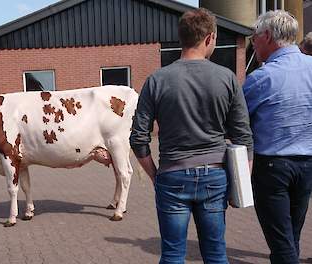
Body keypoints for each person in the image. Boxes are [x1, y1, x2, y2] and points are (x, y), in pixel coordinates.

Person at [130, 8, 253, 263]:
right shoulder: (227, 78)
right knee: (216, 254)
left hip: (172, 175)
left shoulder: (157, 80)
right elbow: (244, 138)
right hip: (215, 176)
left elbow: (138, 138)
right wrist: (241, 183)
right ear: (209, 38)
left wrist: (155, 175)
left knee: (173, 255)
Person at [243, 10, 312, 264]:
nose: (253, 43)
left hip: (272, 168)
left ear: (268, 36)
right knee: (291, 236)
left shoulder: (261, 78)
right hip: (306, 166)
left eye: (255, 37)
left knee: (281, 242)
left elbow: (238, 122)